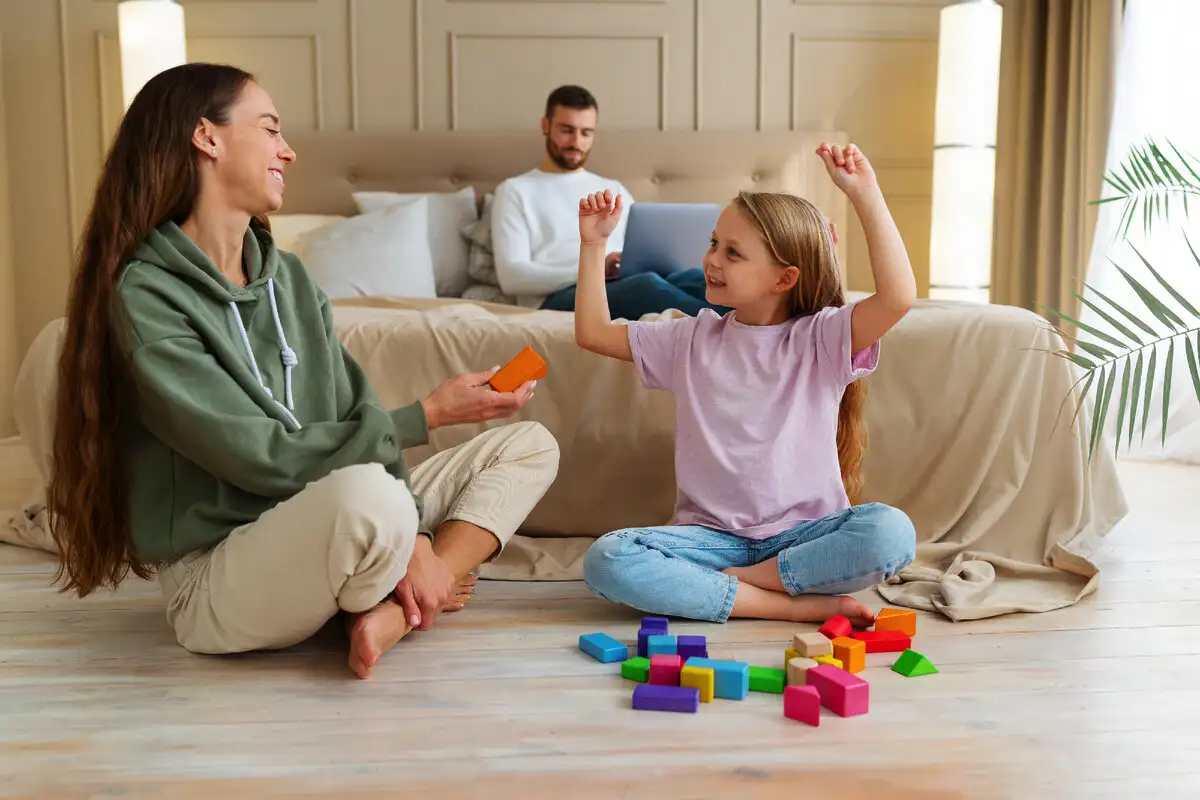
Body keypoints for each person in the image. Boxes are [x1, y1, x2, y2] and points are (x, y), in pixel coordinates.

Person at [45, 63, 560, 680]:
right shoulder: (146, 295)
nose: (288, 151)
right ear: (206, 137)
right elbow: (255, 456)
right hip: (219, 576)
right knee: (372, 500)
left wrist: (422, 541)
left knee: (529, 446)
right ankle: (396, 586)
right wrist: (429, 416)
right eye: (269, 129)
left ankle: (396, 606)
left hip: (323, 517)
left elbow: (353, 414)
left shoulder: (287, 278)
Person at [574, 143, 917, 626]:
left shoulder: (822, 338)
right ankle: (788, 605)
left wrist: (865, 193)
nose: (712, 260)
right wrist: (592, 246)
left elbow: (899, 297)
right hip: (713, 542)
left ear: (784, 279)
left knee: (891, 532)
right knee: (608, 558)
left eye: (733, 253)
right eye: (714, 243)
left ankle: (748, 583)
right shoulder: (690, 337)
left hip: (805, 540)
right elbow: (592, 333)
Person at [491, 85, 727, 319]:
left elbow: (642, 249)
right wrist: (594, 269)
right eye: (566, 130)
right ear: (545, 125)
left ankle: (757, 321)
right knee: (645, 287)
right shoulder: (515, 190)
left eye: (586, 133)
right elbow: (512, 277)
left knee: (695, 278)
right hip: (558, 296)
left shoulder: (612, 187)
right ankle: (731, 326)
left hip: (626, 279)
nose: (576, 142)